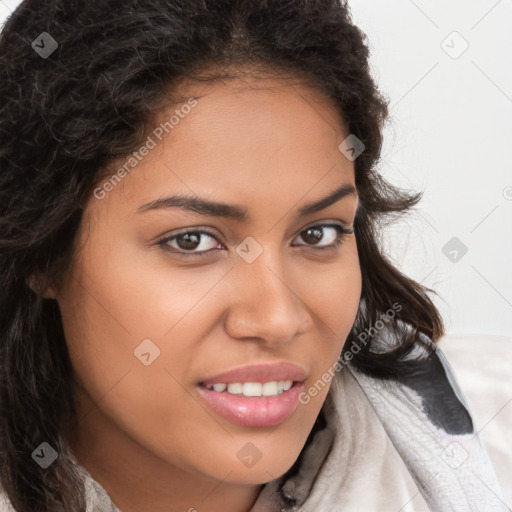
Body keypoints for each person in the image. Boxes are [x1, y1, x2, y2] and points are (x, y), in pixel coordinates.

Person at [0, 1, 508, 511]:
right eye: (192, 241)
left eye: (318, 233)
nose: (277, 318)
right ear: (43, 249)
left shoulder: (495, 434)